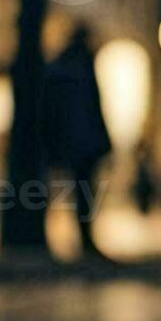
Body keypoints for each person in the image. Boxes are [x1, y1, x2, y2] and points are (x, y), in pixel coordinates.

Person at [42, 24, 111, 256]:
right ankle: (85, 238)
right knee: (82, 193)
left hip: (67, 140)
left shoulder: (59, 65)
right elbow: (93, 106)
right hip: (83, 141)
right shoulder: (83, 65)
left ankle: (76, 238)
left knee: (57, 190)